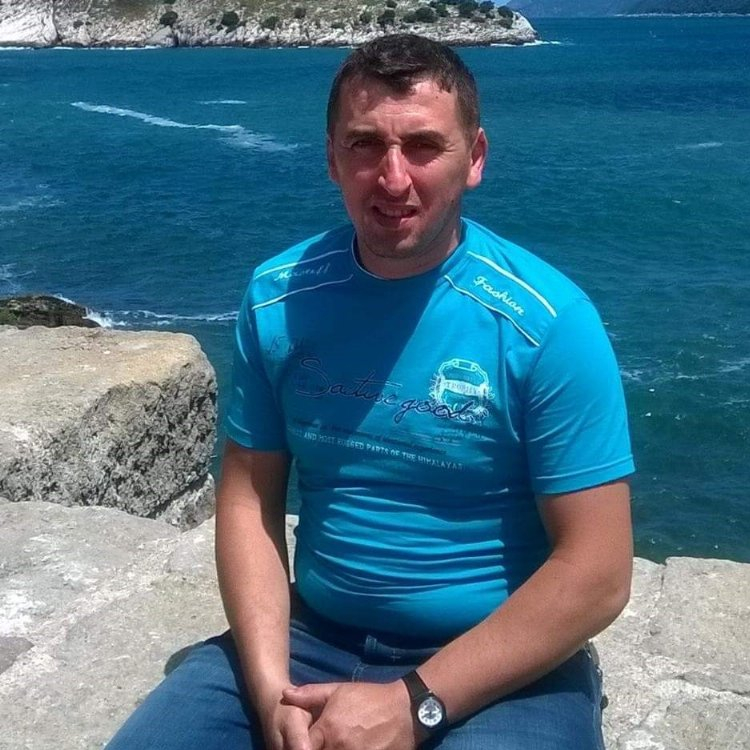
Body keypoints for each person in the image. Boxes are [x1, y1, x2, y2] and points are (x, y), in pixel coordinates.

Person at [106, 33, 634, 750]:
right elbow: (249, 500)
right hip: (310, 637)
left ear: (474, 157)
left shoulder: (547, 324)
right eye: (365, 145)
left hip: (496, 658)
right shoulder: (279, 299)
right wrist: (269, 690)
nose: (392, 178)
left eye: (423, 146)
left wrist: (413, 705)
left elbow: (597, 571)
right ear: (331, 158)